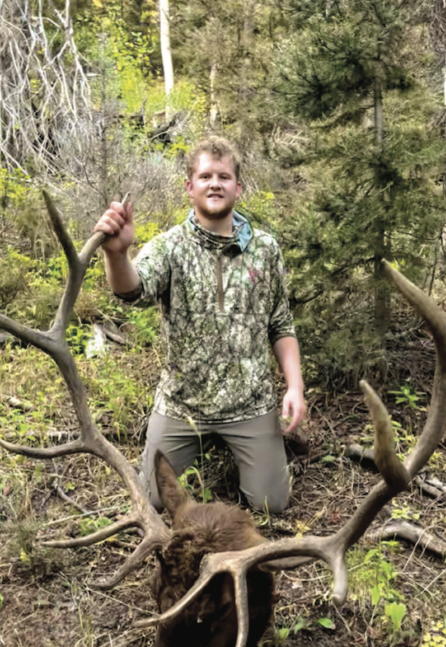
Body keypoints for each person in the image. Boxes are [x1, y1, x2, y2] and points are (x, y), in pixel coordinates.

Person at [94, 137, 305, 513]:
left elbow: (280, 324)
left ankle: (252, 452)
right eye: (206, 176)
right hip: (182, 406)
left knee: (271, 504)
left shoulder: (265, 249)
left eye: (224, 176)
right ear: (190, 187)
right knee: (152, 500)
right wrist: (117, 254)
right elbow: (133, 291)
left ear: (238, 188)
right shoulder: (169, 248)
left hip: (250, 405)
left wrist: (295, 386)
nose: (215, 184)